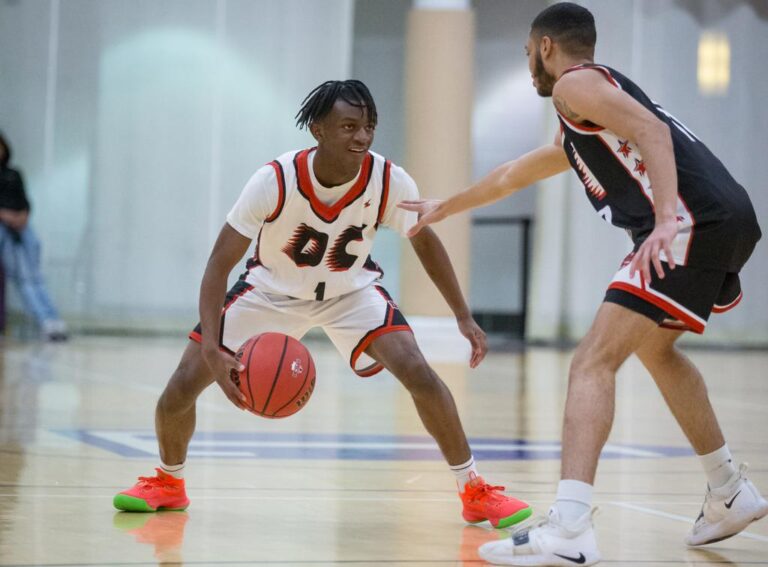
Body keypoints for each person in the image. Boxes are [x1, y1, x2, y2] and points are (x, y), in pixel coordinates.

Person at [399, 4, 766, 565]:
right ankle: (729, 488)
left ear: (547, 46)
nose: (528, 66)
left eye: (528, 53)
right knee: (656, 349)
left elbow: (653, 132)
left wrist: (667, 217)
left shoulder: (577, 85)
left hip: (690, 220)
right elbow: (513, 174)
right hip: (724, 217)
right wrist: (447, 206)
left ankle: (570, 528)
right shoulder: (584, 113)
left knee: (591, 361)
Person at [113, 80, 532, 530]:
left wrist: (463, 316)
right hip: (269, 292)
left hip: (349, 294)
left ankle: (473, 489)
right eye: (349, 126)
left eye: (369, 126)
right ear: (317, 129)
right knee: (179, 391)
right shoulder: (274, 180)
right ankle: (169, 483)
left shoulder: (389, 179)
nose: (362, 137)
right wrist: (214, 350)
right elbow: (218, 266)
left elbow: (425, 243)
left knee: (419, 373)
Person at [0, 132, 68, 341]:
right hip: (3, 226)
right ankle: (44, 319)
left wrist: (22, 216)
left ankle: (52, 319)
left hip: (22, 225)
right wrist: (6, 216)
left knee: (34, 276)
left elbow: (24, 199)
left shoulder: (14, 173)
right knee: (24, 278)